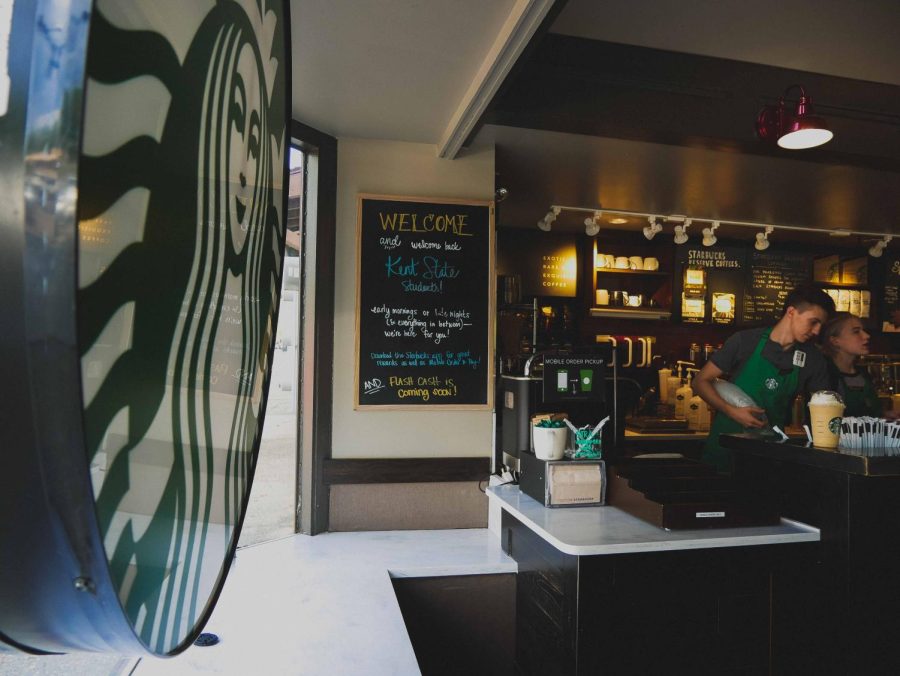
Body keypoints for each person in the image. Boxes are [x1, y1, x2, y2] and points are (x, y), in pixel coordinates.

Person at [694, 284, 835, 472]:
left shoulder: (813, 359)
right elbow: (700, 381)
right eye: (813, 322)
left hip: (769, 455)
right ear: (791, 312)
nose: (817, 331)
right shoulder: (745, 341)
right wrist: (731, 411)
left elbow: (827, 407)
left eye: (821, 326)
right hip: (724, 450)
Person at [820, 312, 887, 417]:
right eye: (856, 332)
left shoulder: (864, 375)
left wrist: (885, 416)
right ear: (835, 341)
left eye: (863, 331)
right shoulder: (823, 375)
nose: (866, 336)